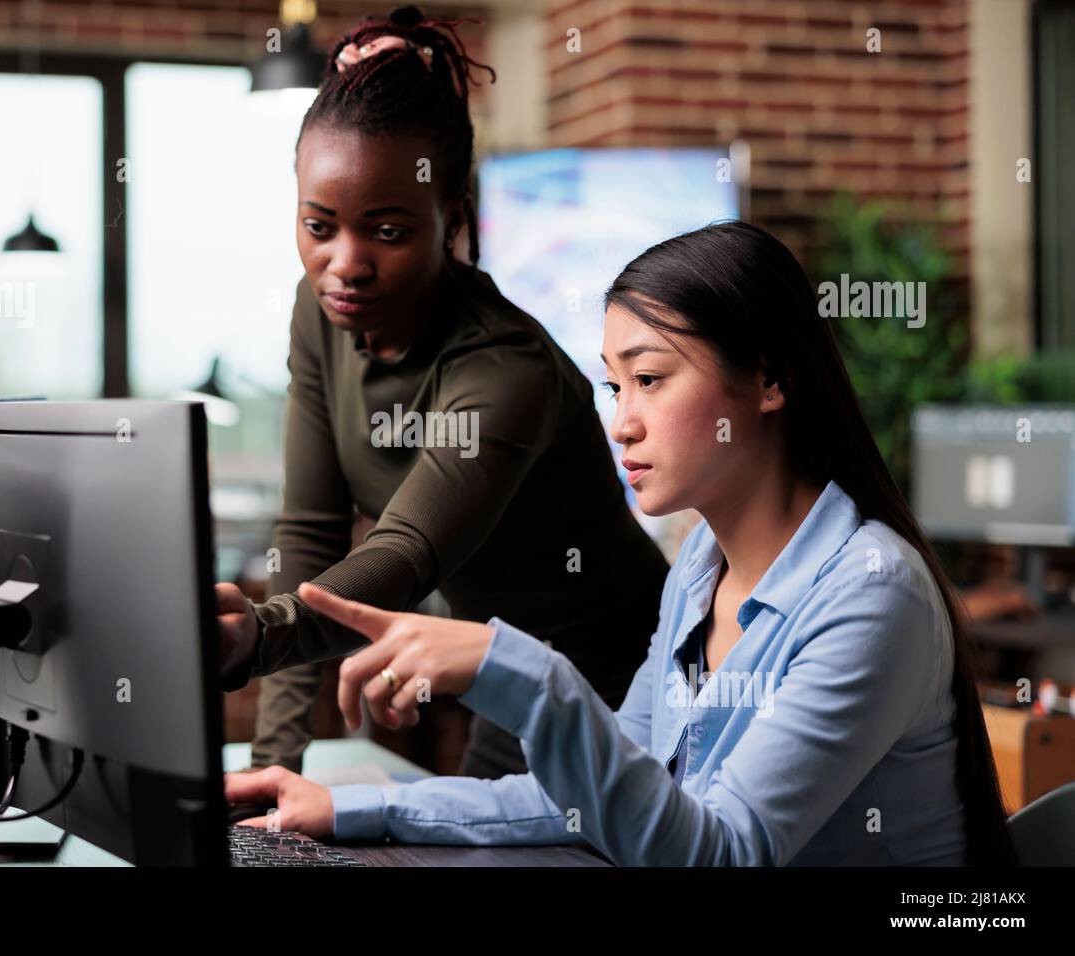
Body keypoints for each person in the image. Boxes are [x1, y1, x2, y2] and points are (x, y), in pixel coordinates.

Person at [223, 221, 1017, 866]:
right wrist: (349, 807)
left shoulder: (873, 592)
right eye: (613, 384)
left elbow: (722, 854)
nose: (621, 421)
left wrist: (521, 671)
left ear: (769, 382)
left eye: (651, 378)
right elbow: (589, 797)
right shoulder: (698, 576)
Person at [215, 5, 671, 778]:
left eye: (386, 231)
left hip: (625, 690)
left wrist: (259, 634)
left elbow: (405, 554)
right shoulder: (320, 312)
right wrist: (274, 765)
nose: (345, 263)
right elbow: (311, 528)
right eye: (319, 226)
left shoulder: (504, 365)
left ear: (451, 217)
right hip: (507, 677)